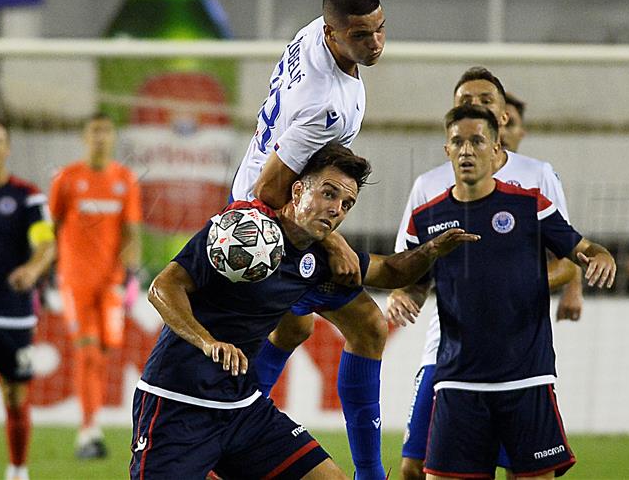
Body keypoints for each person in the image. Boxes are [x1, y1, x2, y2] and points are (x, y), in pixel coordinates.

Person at [133, 143, 477, 479]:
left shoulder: (320, 257)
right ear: (297, 191)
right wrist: (208, 342)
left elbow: (390, 272)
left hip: (243, 410)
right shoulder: (240, 229)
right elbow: (163, 288)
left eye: (347, 204)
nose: (337, 209)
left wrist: (432, 249)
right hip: (176, 404)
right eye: (329, 194)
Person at [386, 68, 583, 480]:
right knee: (414, 465)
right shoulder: (430, 187)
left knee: (521, 469)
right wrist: (405, 293)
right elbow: (411, 263)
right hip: (447, 353)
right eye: (467, 102)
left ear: (503, 117)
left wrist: (561, 289)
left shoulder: (536, 177)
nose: (475, 107)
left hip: (516, 354)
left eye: (485, 102)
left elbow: (567, 249)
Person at [229, 0, 388, 478]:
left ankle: (226, 432)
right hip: (269, 221)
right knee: (368, 327)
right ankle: (370, 474)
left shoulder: (313, 35)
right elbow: (272, 191)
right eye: (362, 36)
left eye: (381, 29)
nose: (376, 43)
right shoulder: (325, 106)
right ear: (334, 33)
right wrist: (333, 239)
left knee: (293, 324)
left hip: (251, 196)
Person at [0, 121, 56, 480]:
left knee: (15, 399)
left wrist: (33, 270)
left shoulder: (27, 198)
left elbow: (46, 244)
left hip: (13, 318)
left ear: (7, 149)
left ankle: (17, 470)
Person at [48, 114, 142, 459]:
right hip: (74, 281)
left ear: (113, 137)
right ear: (84, 137)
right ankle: (88, 431)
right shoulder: (67, 179)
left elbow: (131, 233)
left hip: (111, 283)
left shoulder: (125, 180)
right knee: (86, 351)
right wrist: (46, 272)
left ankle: (92, 423)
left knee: (102, 355)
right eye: (94, 132)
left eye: (105, 132)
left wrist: (132, 276)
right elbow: (52, 229)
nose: (100, 138)